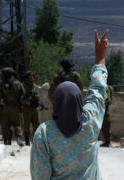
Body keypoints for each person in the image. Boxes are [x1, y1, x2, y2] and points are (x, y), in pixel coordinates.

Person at [30, 29, 109, 179]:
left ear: (56, 103)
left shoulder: (45, 133)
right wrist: (100, 58)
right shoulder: (91, 121)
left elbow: (40, 175)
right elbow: (98, 90)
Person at [0, 67, 26, 146]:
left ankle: (7, 139)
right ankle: (19, 138)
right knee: (17, 123)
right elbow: (23, 94)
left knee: (6, 124)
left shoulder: (2, 84)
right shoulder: (18, 83)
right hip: (15, 106)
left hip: (6, 106)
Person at [21, 71, 40, 146]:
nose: (32, 79)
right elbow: (20, 96)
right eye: (30, 78)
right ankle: (27, 139)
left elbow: (37, 95)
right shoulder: (23, 86)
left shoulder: (34, 86)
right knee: (27, 124)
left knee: (36, 123)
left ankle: (35, 139)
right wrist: (25, 101)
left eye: (33, 77)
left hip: (34, 108)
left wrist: (36, 101)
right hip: (27, 108)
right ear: (27, 79)